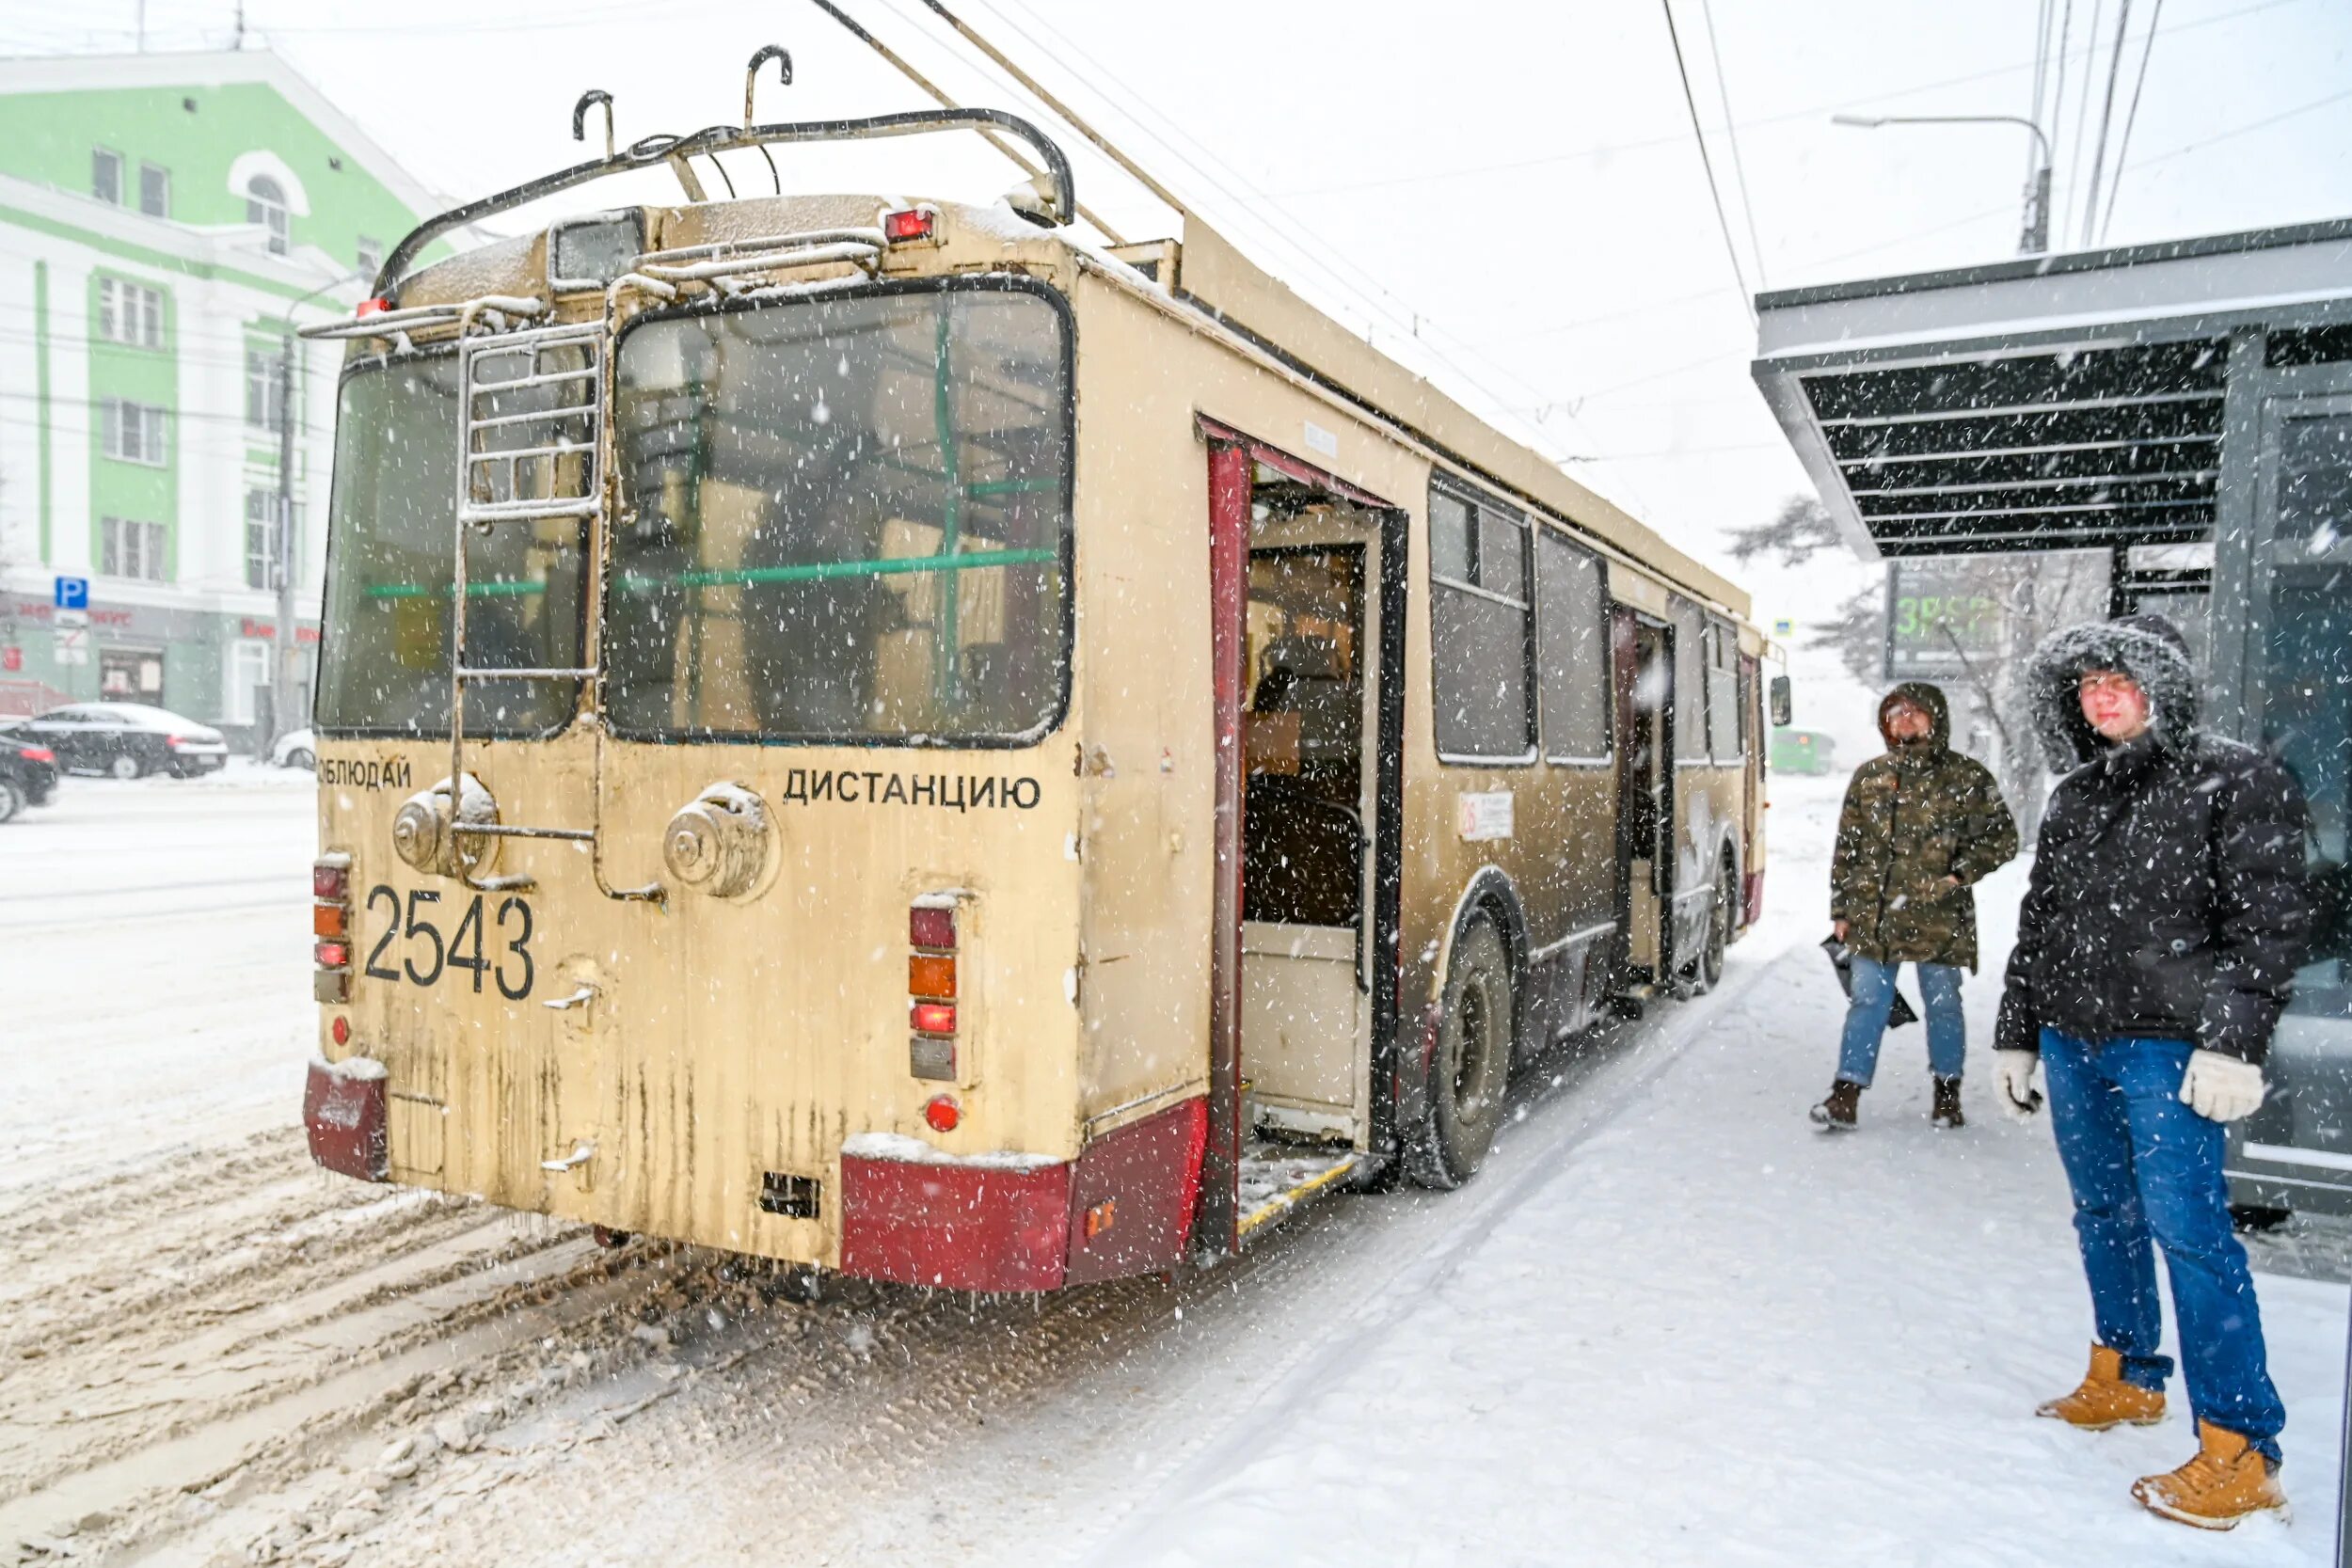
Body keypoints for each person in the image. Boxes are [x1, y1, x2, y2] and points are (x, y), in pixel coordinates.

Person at [1993, 613, 2312, 1529]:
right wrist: (2019, 1031)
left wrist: (2232, 1042)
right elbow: (2040, 921)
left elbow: (2268, 922)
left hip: (2169, 1045)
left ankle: (2241, 1447)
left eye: (2118, 676)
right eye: (2086, 680)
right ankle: (2128, 1374)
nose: (2100, 692)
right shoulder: (2076, 794)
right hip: (2075, 1038)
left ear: (2161, 683)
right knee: (2103, 1211)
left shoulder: (2235, 777)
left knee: (2191, 1232)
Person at [1813, 682, 2019, 1131]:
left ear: (1935, 718)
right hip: (1874, 916)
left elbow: (2002, 838)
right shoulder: (1870, 776)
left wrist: (1958, 874)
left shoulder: (1966, 777)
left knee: (1943, 1004)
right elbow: (1848, 846)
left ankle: (1948, 1093)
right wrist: (1841, 909)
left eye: (1915, 712)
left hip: (1939, 917)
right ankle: (1845, 1093)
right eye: (1895, 713)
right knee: (1868, 1001)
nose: (1905, 720)